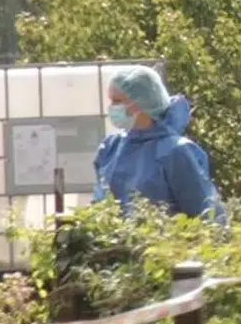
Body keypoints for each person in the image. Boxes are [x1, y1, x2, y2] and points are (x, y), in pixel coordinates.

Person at [94, 66, 225, 222]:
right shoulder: (111, 148)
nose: (112, 108)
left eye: (117, 101)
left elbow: (207, 216)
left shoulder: (175, 152)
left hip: (167, 244)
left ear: (141, 102)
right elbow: (99, 208)